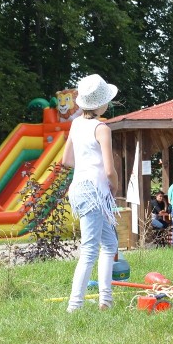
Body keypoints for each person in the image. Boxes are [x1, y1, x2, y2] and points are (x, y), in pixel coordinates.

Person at [61, 74, 120, 313]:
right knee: (90, 248)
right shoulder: (102, 128)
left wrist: (86, 170)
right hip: (96, 192)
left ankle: (106, 300)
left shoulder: (76, 124)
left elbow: (66, 160)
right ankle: (75, 305)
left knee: (110, 243)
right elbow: (109, 169)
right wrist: (113, 186)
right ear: (100, 104)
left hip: (78, 188)